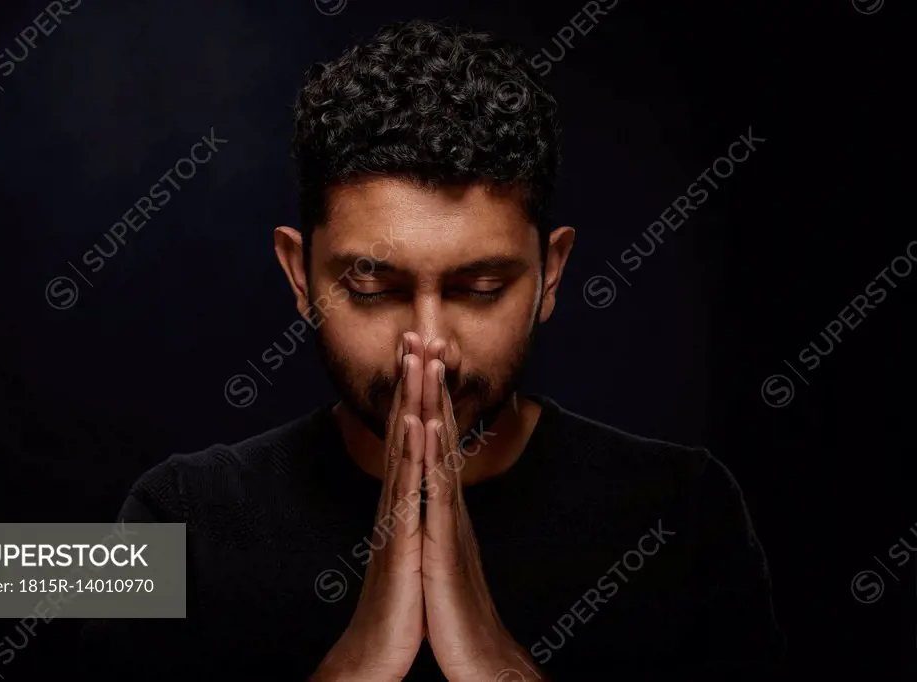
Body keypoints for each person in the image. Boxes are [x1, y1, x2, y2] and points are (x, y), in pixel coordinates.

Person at [80, 18, 785, 681]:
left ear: (552, 274)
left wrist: (492, 661)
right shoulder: (176, 520)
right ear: (300, 276)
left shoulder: (685, 518)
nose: (429, 345)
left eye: (479, 286)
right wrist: (356, 665)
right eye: (371, 285)